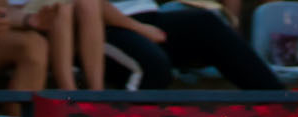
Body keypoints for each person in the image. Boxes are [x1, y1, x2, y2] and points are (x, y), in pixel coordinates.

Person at [97, 0, 276, 91]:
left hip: (147, 14)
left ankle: (281, 112)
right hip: (96, 26)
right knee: (152, 64)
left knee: (206, 25)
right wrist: (140, 29)